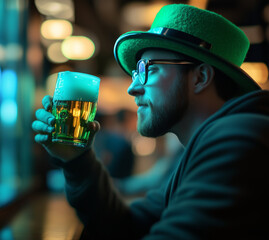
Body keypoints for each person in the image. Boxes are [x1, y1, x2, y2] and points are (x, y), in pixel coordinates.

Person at [32, 4, 269, 239]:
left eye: (149, 69)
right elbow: (126, 226)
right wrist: (76, 160)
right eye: (136, 72)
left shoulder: (238, 143)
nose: (133, 88)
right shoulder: (199, 151)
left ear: (200, 77)